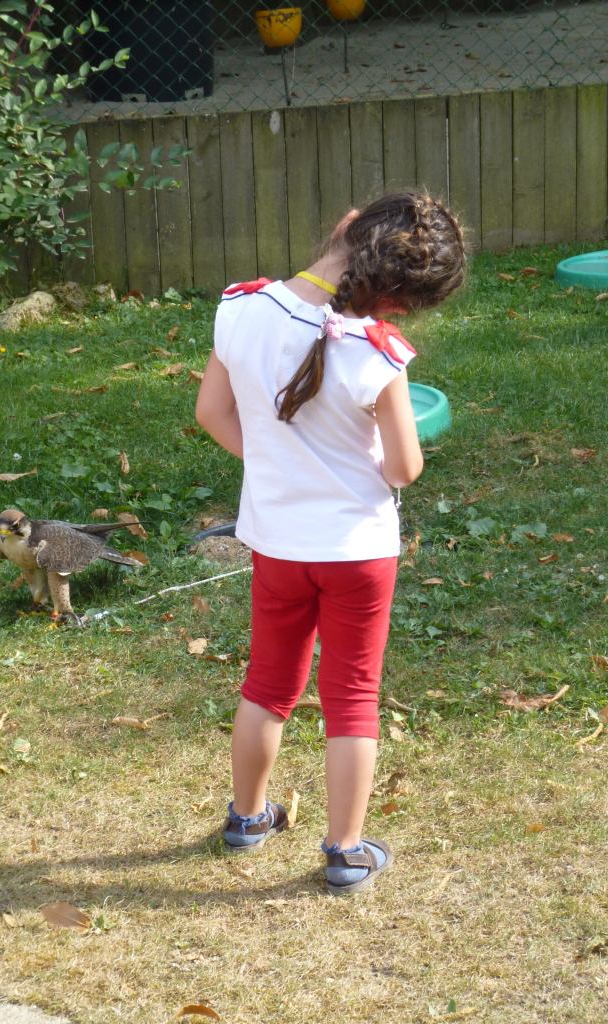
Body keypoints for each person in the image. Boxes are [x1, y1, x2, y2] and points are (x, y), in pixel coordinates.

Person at [195, 190, 466, 896]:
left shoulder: (239, 309)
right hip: (359, 553)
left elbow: (211, 412)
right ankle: (345, 851)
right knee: (351, 696)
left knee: (268, 683)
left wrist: (273, 466)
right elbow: (405, 467)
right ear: (401, 303)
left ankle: (247, 820)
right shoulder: (379, 353)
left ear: (346, 225)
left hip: (277, 544)